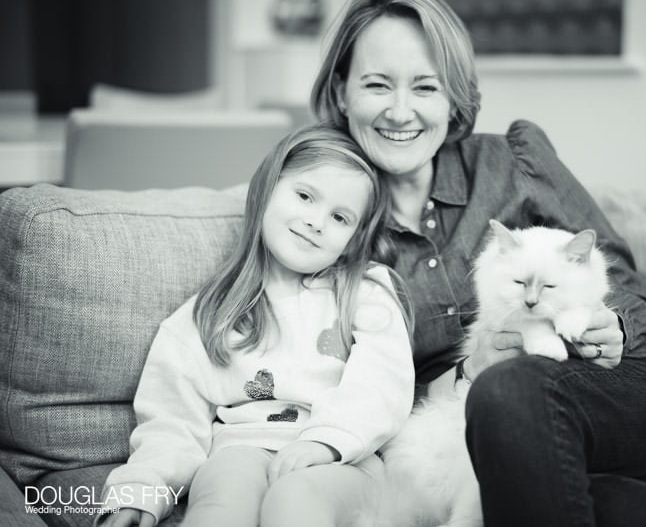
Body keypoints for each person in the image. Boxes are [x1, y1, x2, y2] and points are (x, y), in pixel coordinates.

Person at [311, 0, 646, 525]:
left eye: (425, 86)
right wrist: (467, 371)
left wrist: (612, 325)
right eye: (377, 84)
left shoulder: (516, 161)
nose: (400, 111)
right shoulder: (325, 221)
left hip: (628, 412)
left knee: (510, 389)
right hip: (478, 453)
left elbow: (644, 310)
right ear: (341, 92)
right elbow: (338, 392)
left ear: (454, 98)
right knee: (639, 514)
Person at [97, 124, 414, 527]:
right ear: (266, 190)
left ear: (353, 240)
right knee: (222, 503)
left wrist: (324, 442)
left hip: (344, 460)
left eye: (339, 217)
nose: (316, 221)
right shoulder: (207, 315)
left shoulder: (364, 294)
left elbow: (382, 384)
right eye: (304, 196)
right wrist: (140, 492)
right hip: (239, 450)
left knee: (295, 499)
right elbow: (171, 422)